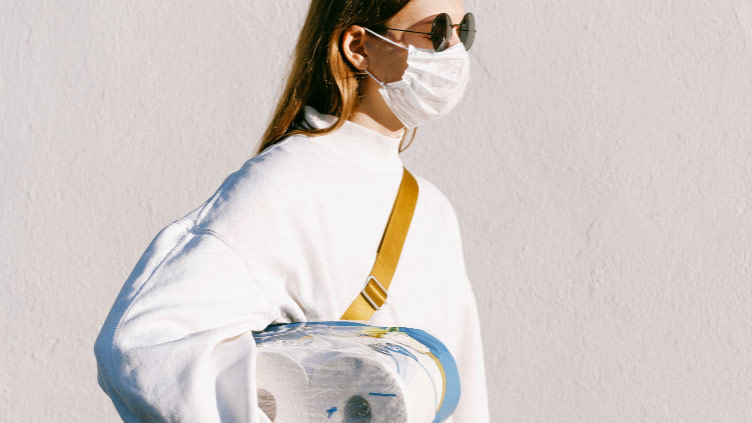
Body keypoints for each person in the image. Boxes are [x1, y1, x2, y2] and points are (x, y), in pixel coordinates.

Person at [93, 0, 489, 421]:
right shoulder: (288, 180)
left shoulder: (432, 208)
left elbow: (464, 388)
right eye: (436, 31)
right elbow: (145, 345)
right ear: (359, 46)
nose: (453, 53)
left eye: (463, 33)